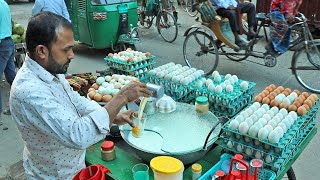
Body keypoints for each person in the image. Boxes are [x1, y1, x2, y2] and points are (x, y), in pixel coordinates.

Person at [9, 11, 151, 179]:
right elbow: (79, 134)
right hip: (55, 175)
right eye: (66, 49)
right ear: (42, 51)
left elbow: (76, 101)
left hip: (73, 166)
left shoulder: (50, 70)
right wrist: (120, 98)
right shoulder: (29, 91)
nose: (72, 55)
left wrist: (113, 115)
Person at [0, 0, 16, 123]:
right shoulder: (4, 3)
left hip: (1, 45)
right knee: (12, 78)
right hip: (10, 43)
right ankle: (17, 108)